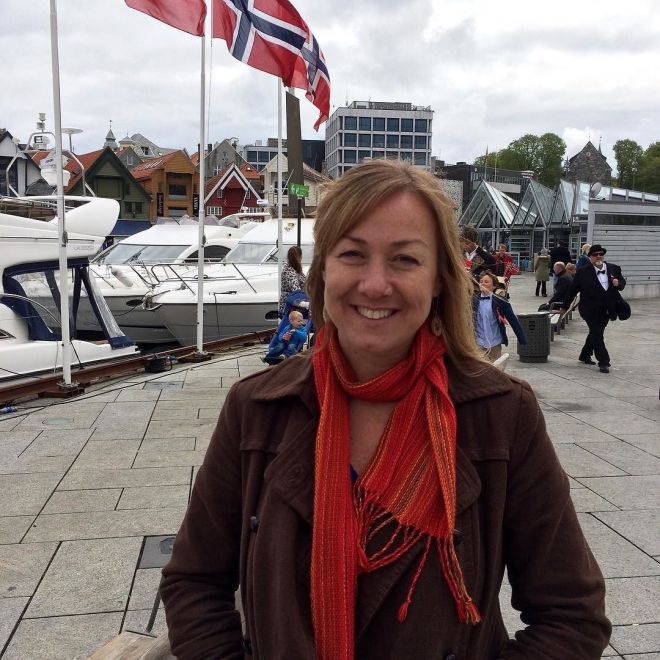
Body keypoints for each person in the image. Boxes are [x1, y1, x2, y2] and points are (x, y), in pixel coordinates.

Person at [161, 160, 610, 659]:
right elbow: (194, 582)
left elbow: (572, 615)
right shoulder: (256, 408)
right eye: (353, 254)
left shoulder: (501, 414)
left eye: (405, 259)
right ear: (323, 271)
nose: (375, 285)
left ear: (439, 279)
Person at [562, 244, 626, 374]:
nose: (598, 256)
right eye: (595, 255)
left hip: (607, 309)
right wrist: (564, 306)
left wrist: (618, 283)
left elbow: (622, 283)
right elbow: (572, 290)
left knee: (596, 332)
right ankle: (604, 362)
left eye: (600, 254)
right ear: (590, 257)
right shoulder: (583, 272)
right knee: (597, 333)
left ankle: (585, 354)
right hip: (589, 309)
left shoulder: (614, 268)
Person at [473, 271, 527, 362]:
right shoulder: (473, 300)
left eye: (486, 282)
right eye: (481, 281)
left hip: (495, 341)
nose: (482, 283)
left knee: (495, 368)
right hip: (478, 342)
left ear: (494, 286)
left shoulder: (500, 300)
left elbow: (512, 320)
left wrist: (522, 338)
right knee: (480, 369)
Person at [279, 245, 306, 316]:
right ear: (299, 257)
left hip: (294, 304)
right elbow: (296, 290)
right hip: (288, 305)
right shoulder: (288, 270)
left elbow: (305, 282)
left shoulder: (295, 269)